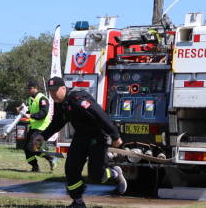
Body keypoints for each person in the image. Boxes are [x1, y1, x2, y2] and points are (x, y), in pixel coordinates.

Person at [34, 77, 127, 208]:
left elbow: (99, 113)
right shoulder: (59, 103)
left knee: (97, 175)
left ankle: (115, 173)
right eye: (50, 91)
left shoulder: (77, 98)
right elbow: (57, 122)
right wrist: (43, 136)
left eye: (55, 91)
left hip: (97, 136)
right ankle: (78, 201)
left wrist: (115, 135)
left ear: (63, 89)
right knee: (71, 169)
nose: (53, 94)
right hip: (81, 137)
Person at [21, 80, 56, 172]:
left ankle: (51, 158)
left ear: (36, 88)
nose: (29, 90)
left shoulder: (42, 98)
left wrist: (31, 115)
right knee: (26, 149)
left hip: (42, 128)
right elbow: (29, 111)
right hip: (33, 127)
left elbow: (43, 113)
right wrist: (22, 110)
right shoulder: (29, 99)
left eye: (30, 88)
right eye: (28, 88)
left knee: (33, 148)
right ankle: (35, 167)